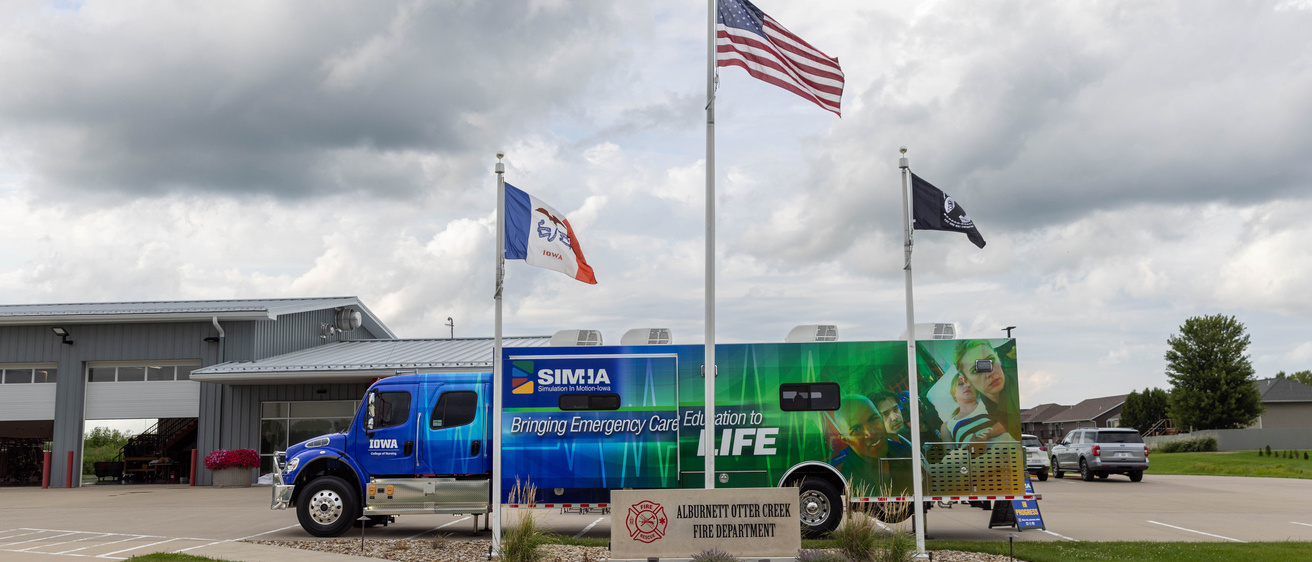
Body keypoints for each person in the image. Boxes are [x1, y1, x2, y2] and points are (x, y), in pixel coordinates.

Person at [956, 340, 1021, 441]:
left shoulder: (1016, 394)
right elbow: (1005, 421)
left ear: (997, 357)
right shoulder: (985, 399)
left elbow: (1010, 422)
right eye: (975, 370)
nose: (989, 373)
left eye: (990, 360)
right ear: (965, 380)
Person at [825, 395, 891, 492]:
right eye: (856, 429)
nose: (871, 433)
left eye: (873, 419)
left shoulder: (904, 450)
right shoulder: (847, 480)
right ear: (845, 440)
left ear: (881, 417)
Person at [940, 372, 1006, 444]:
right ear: (953, 392)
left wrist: (985, 435)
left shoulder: (987, 404)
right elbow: (950, 454)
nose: (967, 386)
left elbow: (1009, 423)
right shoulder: (947, 426)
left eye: (971, 383)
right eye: (961, 384)